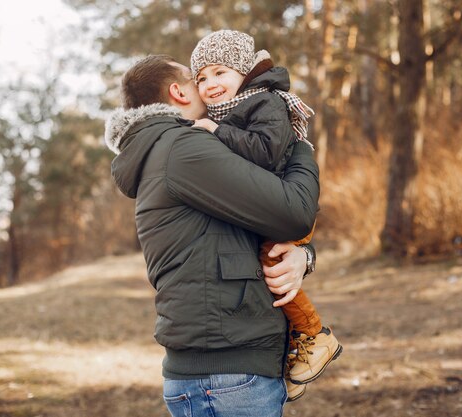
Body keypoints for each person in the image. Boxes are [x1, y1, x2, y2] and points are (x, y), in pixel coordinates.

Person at [104, 54, 320, 417]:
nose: (206, 87)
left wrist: (304, 257)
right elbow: (295, 212)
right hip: (226, 377)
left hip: (220, 373)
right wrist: (299, 147)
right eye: (196, 79)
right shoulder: (184, 148)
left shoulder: (168, 151)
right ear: (178, 91)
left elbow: (255, 228)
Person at [190, 29, 342, 401]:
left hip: (282, 207)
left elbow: (267, 153)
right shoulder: (237, 109)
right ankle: (296, 350)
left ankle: (315, 336)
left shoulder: (263, 103)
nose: (210, 84)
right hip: (268, 206)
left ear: (245, 72)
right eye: (202, 78)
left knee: (274, 272)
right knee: (269, 279)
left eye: (220, 72)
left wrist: (216, 131)